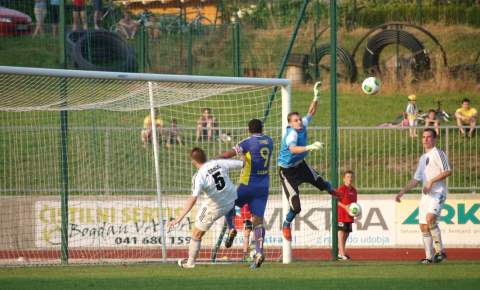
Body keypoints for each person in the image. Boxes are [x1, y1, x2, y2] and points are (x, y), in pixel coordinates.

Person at [278, 82, 336, 241]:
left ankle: (335, 192)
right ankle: (286, 224)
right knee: (296, 207)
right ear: (290, 123)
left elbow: (311, 111)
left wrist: (316, 96)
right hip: (287, 171)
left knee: (322, 183)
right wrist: (309, 146)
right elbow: (293, 149)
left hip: (301, 165)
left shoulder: (302, 126)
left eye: (299, 119)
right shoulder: (292, 134)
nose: (299, 122)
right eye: (296, 120)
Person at [168, 147, 244, 269]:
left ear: (193, 161)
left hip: (215, 207)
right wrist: (244, 156)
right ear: (205, 156)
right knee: (225, 202)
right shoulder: (217, 162)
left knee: (196, 234)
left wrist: (178, 219)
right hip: (231, 200)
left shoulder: (199, 176)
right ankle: (231, 227)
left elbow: (193, 199)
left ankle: (190, 262)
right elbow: (242, 164)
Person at [217, 118, 273, 268]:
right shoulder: (270, 140)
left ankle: (231, 229)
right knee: (258, 221)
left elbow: (228, 154)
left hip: (248, 184)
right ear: (262, 128)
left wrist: (216, 160)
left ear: (249, 130)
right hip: (263, 187)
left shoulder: (247, 142)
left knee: (229, 204)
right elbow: (253, 156)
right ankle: (259, 251)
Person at [395, 128, 451, 264]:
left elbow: (448, 171)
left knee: (430, 218)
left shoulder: (439, 153)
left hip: (438, 193)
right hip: (426, 196)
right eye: (423, 137)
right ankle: (429, 257)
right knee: (423, 226)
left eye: (429, 137)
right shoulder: (423, 158)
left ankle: (440, 252)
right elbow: (416, 180)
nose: (425, 139)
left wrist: (431, 181)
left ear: (434, 139)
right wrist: (402, 191)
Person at [336, 170, 358, 261]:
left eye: (351, 177)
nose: (350, 179)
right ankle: (342, 253)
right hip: (341, 215)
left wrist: (355, 211)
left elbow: (354, 205)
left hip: (349, 216)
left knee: (346, 235)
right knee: (341, 234)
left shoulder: (354, 191)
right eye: (348, 177)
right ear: (344, 179)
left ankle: (340, 253)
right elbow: (336, 202)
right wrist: (345, 207)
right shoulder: (341, 189)